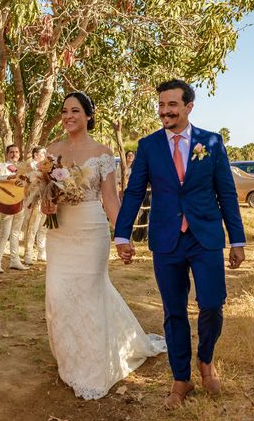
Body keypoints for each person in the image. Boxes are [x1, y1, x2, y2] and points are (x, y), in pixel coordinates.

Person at [114, 79, 246, 409]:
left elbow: (226, 194)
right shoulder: (148, 146)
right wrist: (122, 234)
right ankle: (180, 379)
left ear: (188, 107)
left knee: (213, 304)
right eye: (161, 105)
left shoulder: (211, 143)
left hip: (206, 238)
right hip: (166, 239)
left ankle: (205, 359)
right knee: (173, 312)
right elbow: (133, 192)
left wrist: (238, 240)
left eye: (171, 105)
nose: (164, 111)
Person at [41, 91, 166, 401]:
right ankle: (69, 358)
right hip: (60, 234)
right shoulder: (51, 150)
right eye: (64, 111)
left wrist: (121, 235)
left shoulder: (103, 152)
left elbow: (110, 198)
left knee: (89, 293)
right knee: (58, 294)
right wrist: (46, 203)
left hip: (91, 230)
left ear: (87, 115)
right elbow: (44, 191)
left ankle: (94, 368)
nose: (68, 115)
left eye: (75, 110)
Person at [0, 144, 29, 273]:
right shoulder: (2, 166)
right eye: (11, 152)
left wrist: (24, 183)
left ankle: (15, 260)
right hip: (7, 203)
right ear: (7, 154)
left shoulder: (24, 168)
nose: (14, 154)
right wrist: (9, 177)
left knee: (16, 233)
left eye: (16, 152)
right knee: (5, 233)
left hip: (20, 202)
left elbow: (29, 183)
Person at [21, 146, 48, 265]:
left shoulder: (47, 167)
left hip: (46, 200)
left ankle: (42, 252)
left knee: (44, 227)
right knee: (32, 228)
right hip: (33, 201)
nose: (45, 155)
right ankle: (28, 254)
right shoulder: (30, 166)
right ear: (36, 155)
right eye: (43, 153)